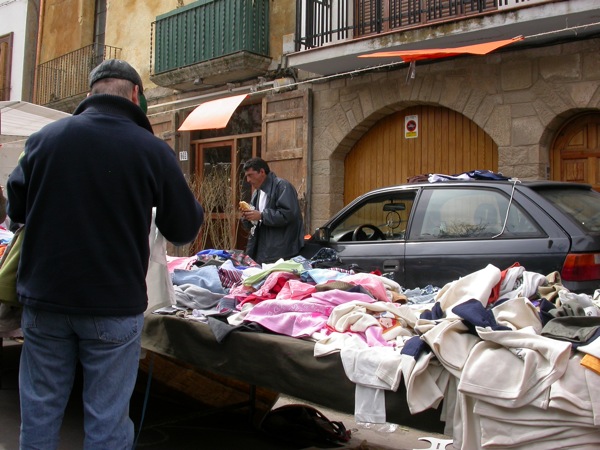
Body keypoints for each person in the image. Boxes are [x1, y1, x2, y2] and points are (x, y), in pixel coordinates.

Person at [6, 59, 204, 449]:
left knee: (41, 410)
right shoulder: (151, 150)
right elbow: (183, 229)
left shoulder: (45, 139)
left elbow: (17, 213)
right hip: (112, 305)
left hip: (46, 299)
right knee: (107, 420)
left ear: (88, 95)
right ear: (135, 95)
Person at [240, 157, 304, 264]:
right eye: (246, 176)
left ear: (262, 172)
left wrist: (261, 216)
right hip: (260, 252)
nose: (248, 180)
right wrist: (247, 217)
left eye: (250, 175)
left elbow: (288, 215)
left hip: (280, 253)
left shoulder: (282, 186)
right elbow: (255, 225)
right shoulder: (257, 192)